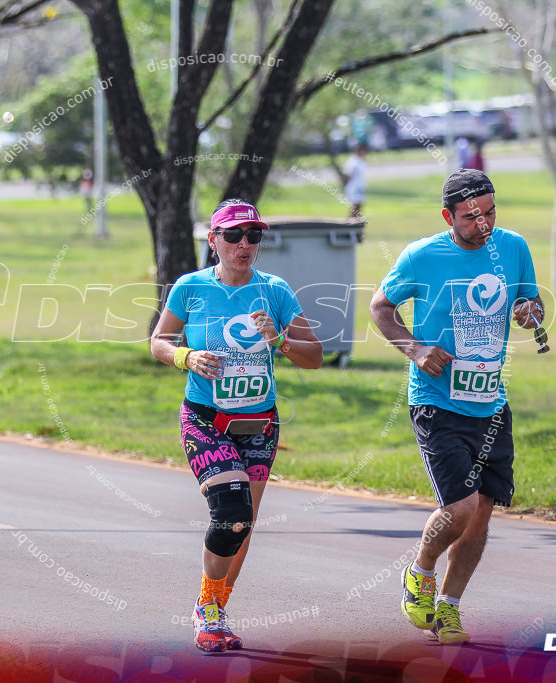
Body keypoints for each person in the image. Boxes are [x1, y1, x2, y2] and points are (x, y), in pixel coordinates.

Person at [368, 169, 544, 644]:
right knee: (461, 507)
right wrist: (416, 349)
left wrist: (531, 314)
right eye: (471, 217)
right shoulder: (422, 256)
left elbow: (531, 304)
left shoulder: (514, 248)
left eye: (490, 213)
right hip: (437, 401)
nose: (483, 224)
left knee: (483, 510)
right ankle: (420, 570)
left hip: (490, 400)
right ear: (448, 216)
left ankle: (449, 606)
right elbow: (380, 307)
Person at [151, 199, 323, 652]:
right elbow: (159, 341)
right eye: (233, 235)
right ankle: (208, 612)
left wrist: (279, 339)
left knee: (242, 523)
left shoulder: (276, 291)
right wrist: (186, 356)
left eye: (253, 236)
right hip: (205, 419)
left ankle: (214, 609)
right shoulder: (190, 288)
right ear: (213, 241)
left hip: (260, 424)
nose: (244, 245)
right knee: (230, 511)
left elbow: (315, 357)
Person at [342, 143, 369, 217]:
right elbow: (347, 175)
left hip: (359, 187)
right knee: (355, 207)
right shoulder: (352, 161)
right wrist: (345, 189)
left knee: (359, 207)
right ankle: (350, 224)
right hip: (353, 188)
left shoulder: (360, 161)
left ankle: (356, 223)